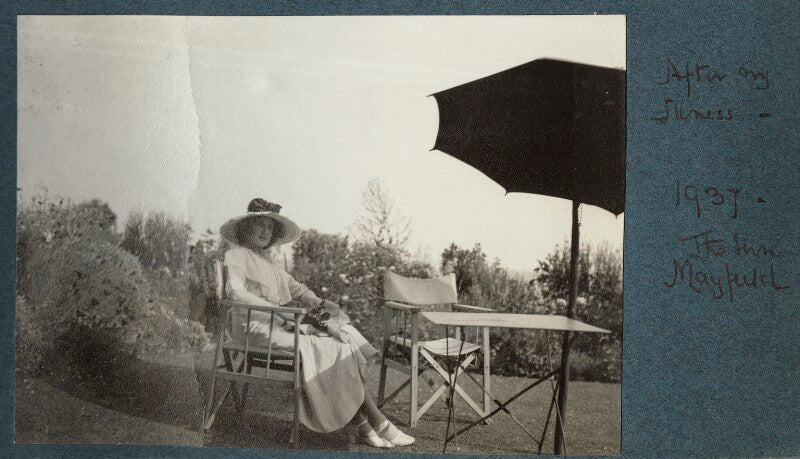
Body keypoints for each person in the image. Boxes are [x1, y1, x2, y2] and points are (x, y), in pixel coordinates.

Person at [219, 198, 415, 448]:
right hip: (253, 327)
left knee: (342, 342)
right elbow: (235, 291)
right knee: (329, 347)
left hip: (277, 325)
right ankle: (375, 423)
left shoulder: (270, 263)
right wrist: (278, 311)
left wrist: (318, 302)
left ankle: (364, 424)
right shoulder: (236, 254)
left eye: (269, 226)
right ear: (245, 227)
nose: (265, 231)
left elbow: (297, 289)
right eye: (259, 223)